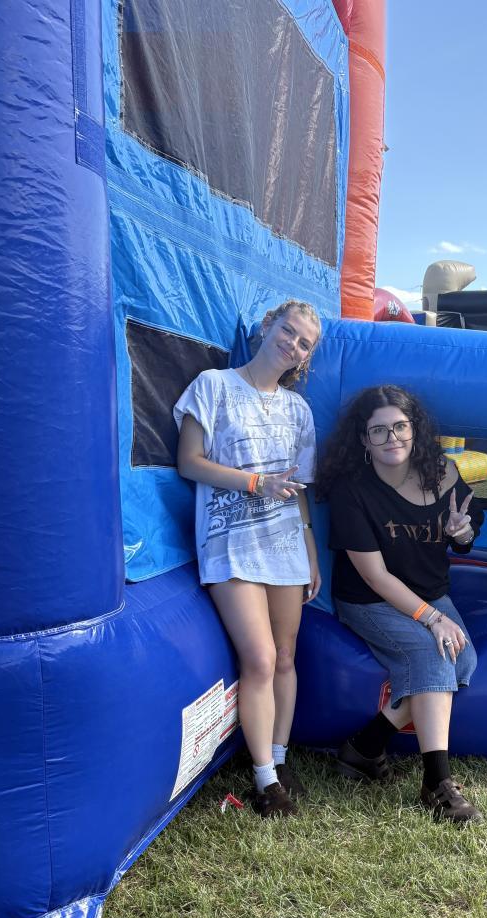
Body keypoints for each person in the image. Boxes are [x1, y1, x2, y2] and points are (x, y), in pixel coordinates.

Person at [175, 300, 321, 819]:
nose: (292, 344)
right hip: (230, 543)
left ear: (305, 357)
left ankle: (279, 760)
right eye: (288, 331)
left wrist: (310, 551)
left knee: (285, 656)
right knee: (258, 658)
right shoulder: (213, 386)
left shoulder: (298, 410)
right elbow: (189, 462)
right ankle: (264, 780)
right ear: (267, 326)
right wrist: (257, 483)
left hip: (285, 546)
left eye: (304, 343)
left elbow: (299, 492)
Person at [317, 385, 484, 824]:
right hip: (369, 599)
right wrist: (432, 619)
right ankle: (437, 783)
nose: (392, 438)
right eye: (379, 430)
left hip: (430, 591)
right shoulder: (352, 490)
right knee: (435, 652)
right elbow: (374, 575)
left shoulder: (442, 472)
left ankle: (365, 746)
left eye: (400, 426)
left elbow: (467, 534)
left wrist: (462, 532)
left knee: (464, 659)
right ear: (363, 438)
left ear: (415, 429)